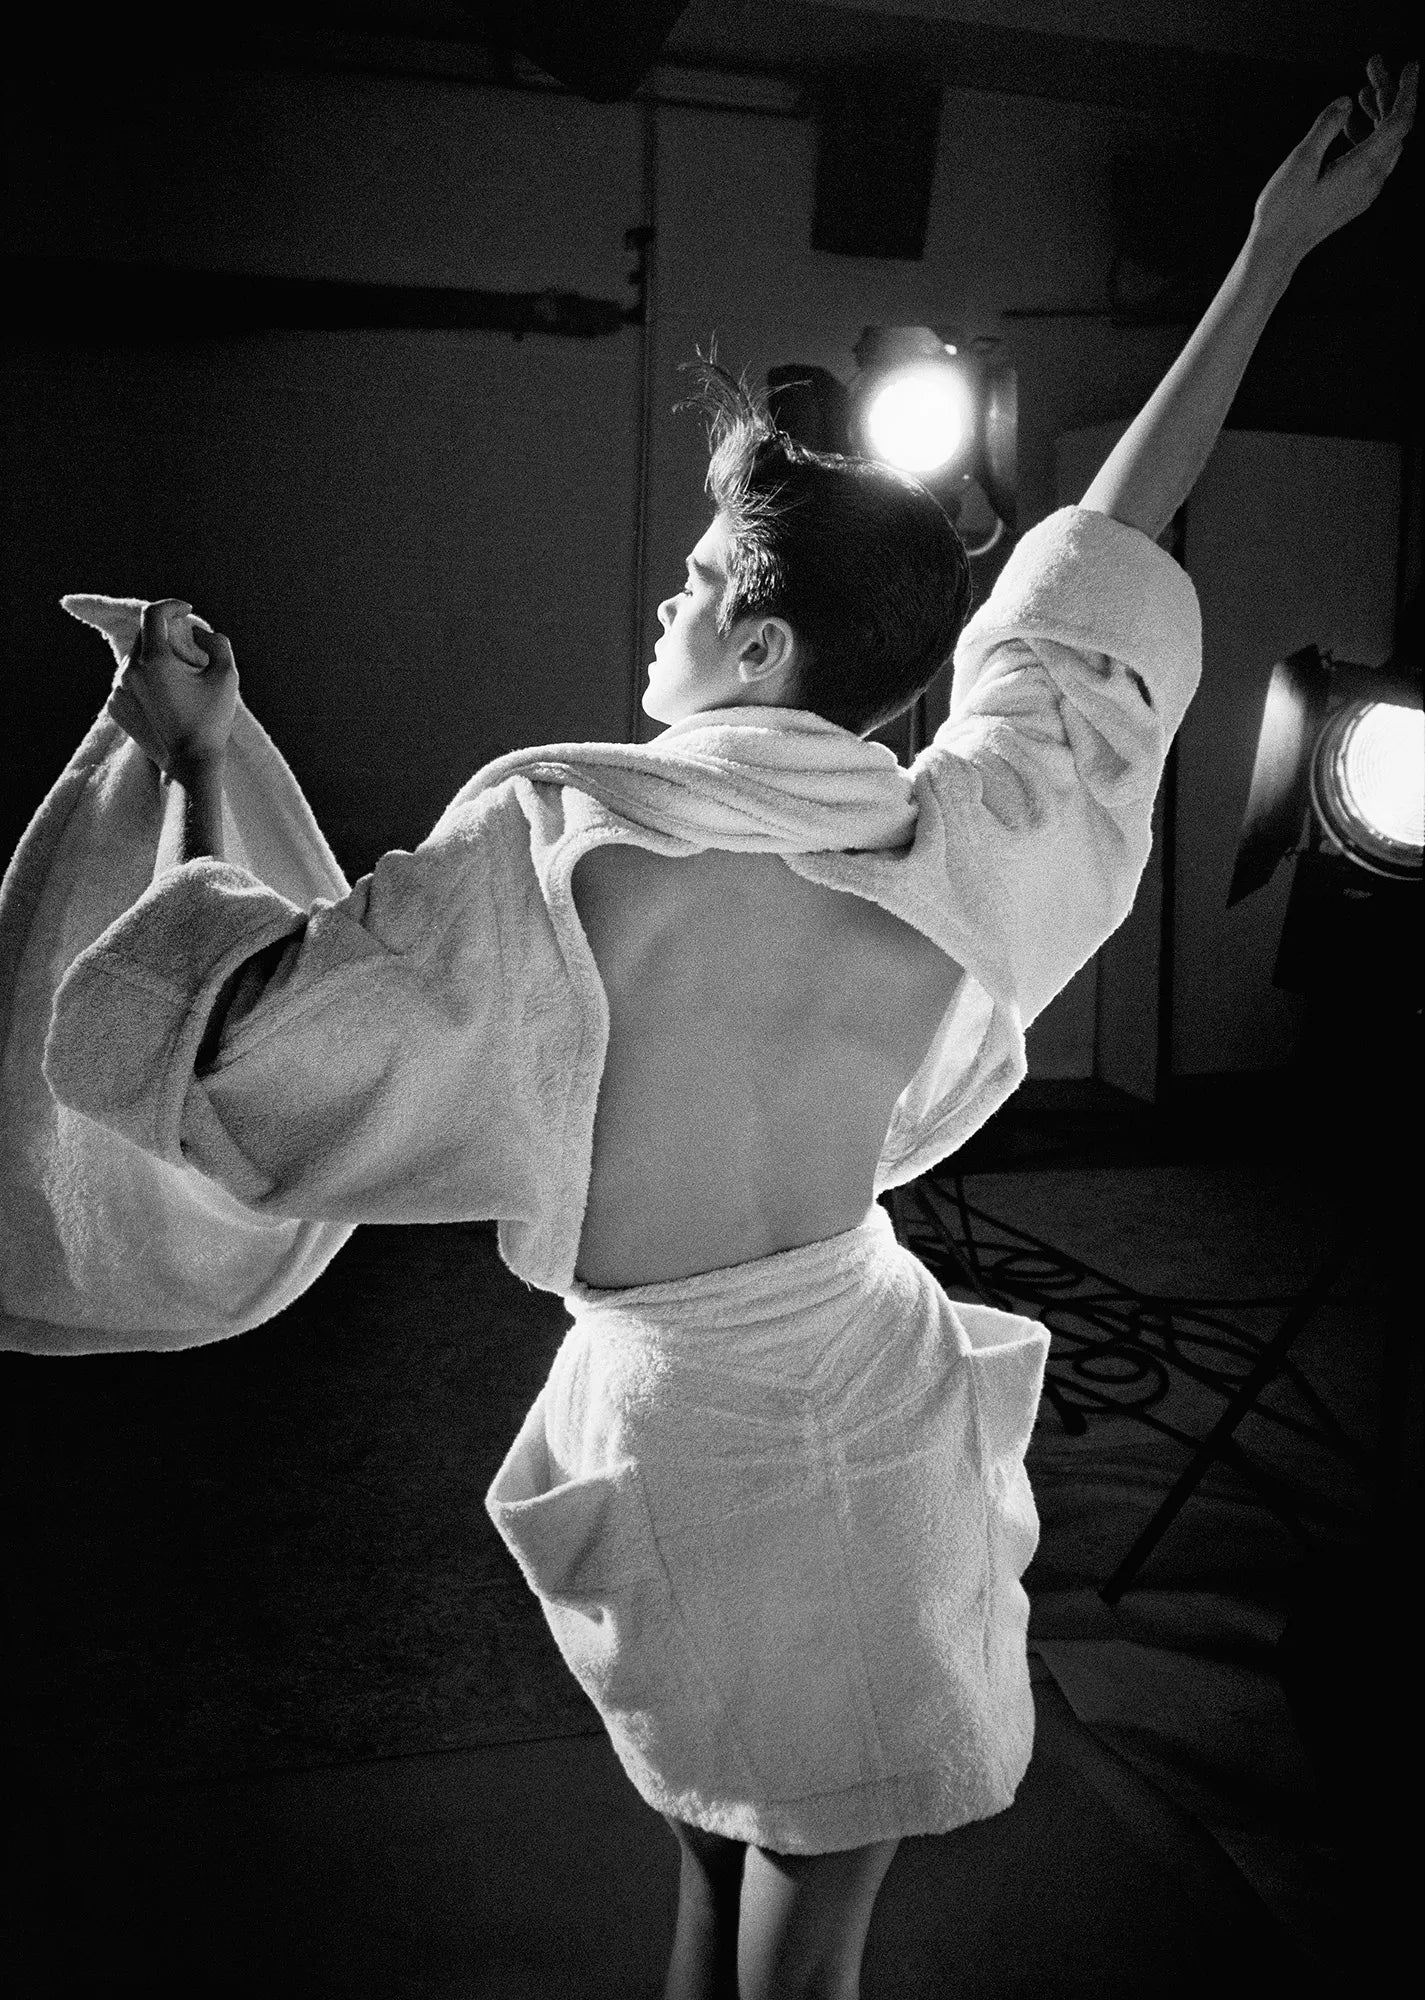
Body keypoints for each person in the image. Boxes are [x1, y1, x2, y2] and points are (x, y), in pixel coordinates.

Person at [32, 58, 1415, 2000]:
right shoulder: (973, 837)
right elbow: (1098, 558)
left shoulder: (546, 850)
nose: (663, 614)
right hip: (850, 1391)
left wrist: (190, 764)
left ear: (758, 648)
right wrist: (1272, 251)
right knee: (799, 1886)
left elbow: (236, 1056)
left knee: (722, 1846)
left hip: (670, 1415)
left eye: (693, 588)